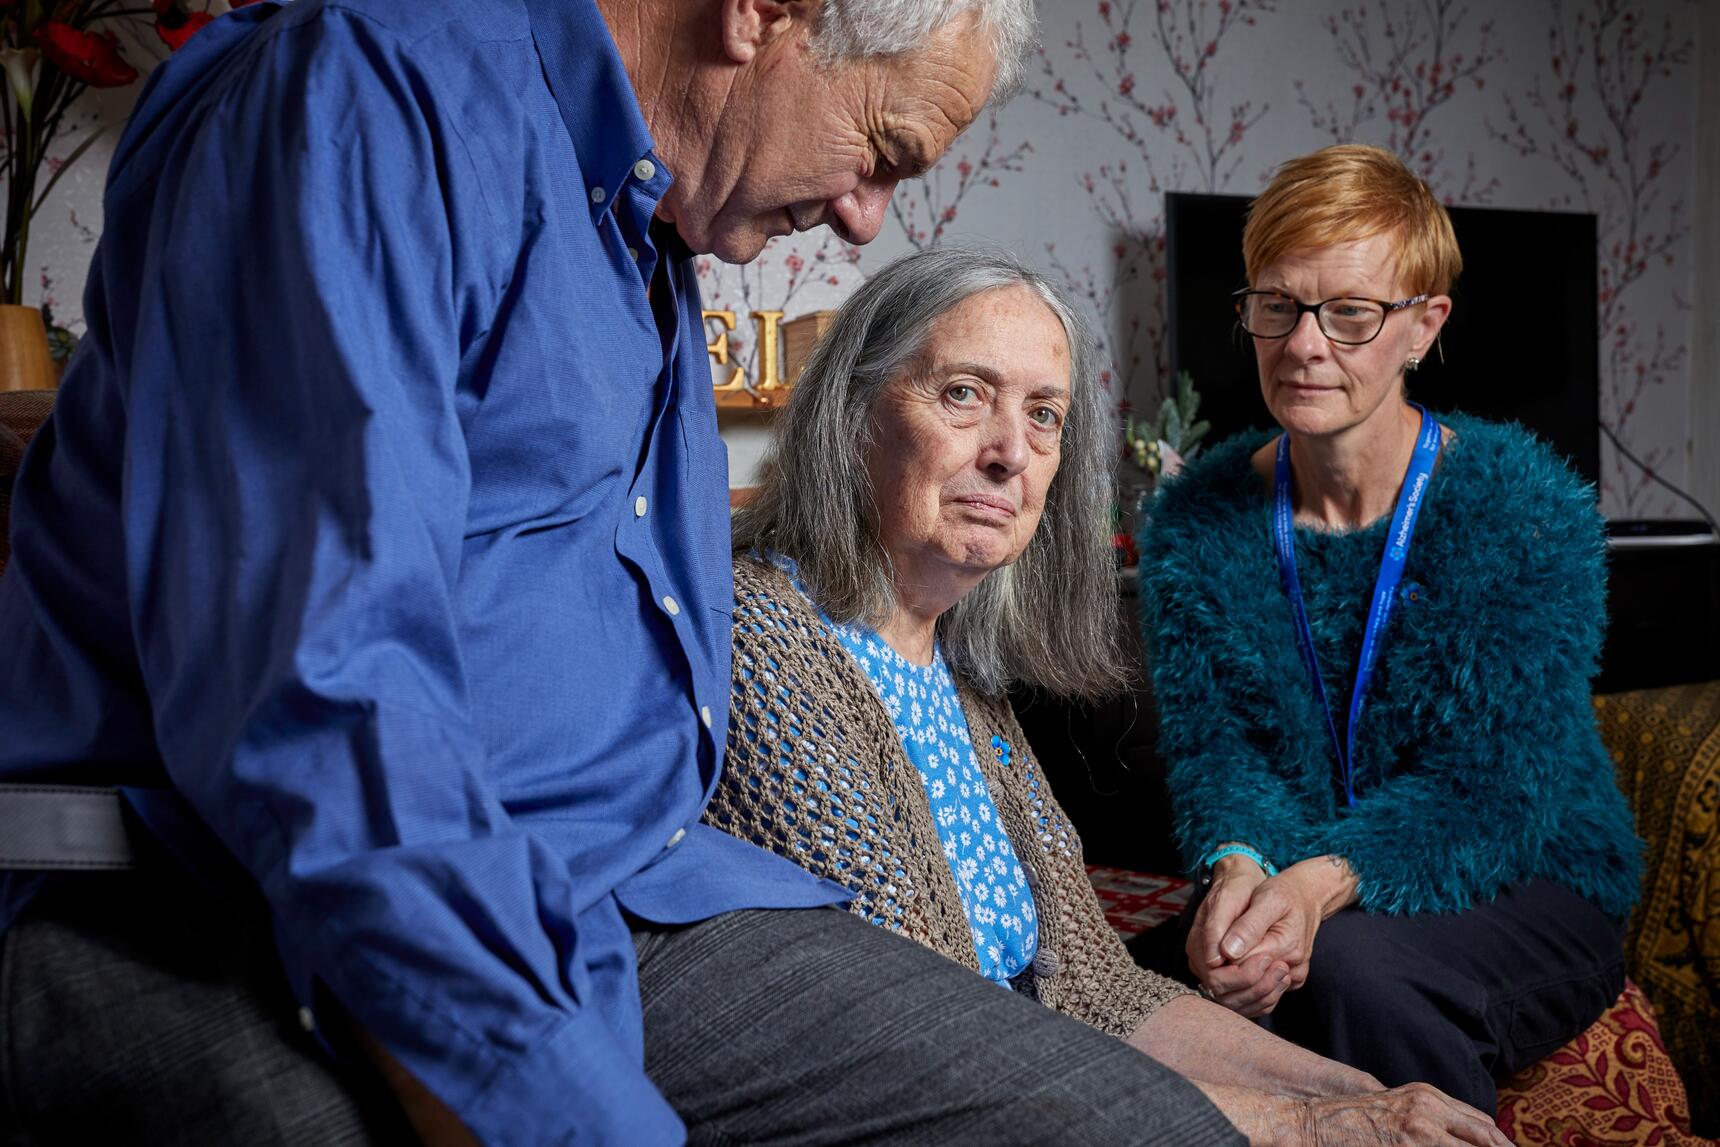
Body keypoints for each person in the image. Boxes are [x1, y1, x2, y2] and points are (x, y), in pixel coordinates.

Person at [0, 2, 1254, 1145]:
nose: (870, 215)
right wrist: (565, 1095)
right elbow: (328, 698)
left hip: (620, 889)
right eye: (884, 147)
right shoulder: (370, 91)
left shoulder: (647, 221)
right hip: (219, 888)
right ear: (765, 13)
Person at [710, 243, 1514, 1147]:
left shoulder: (962, 679)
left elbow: (1100, 987)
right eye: (965, 394)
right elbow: (935, 1035)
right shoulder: (764, 632)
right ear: (855, 416)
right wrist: (1315, 1127)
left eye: (1044, 415)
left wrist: (1366, 1094)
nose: (1012, 452)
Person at [1135, 144, 1644, 1115]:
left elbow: (1495, 788)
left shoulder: (1524, 509)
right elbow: (1221, 755)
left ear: (1421, 326)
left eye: (1351, 313)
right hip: (1302, 870)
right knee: (1128, 988)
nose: (1303, 345)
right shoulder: (1194, 520)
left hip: (1527, 871)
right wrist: (1239, 875)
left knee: (1352, 970)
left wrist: (1315, 890)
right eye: (1276, 305)